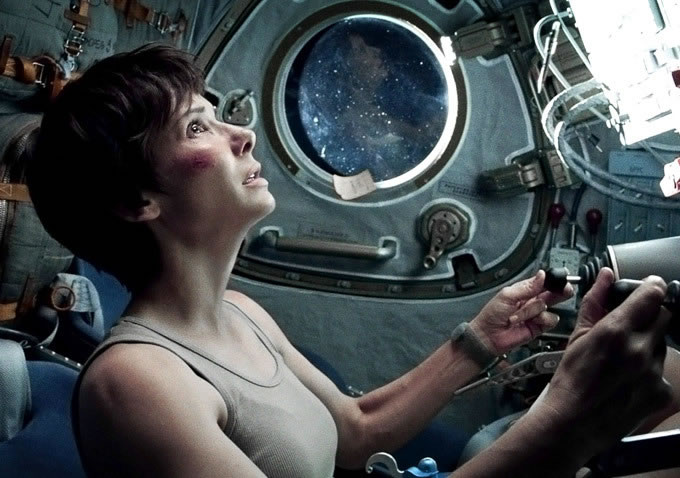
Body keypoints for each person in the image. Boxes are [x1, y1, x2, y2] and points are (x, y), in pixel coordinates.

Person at [26, 43, 678, 478]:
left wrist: (481, 338)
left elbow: (357, 431)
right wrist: (568, 419)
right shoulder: (136, 384)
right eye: (197, 127)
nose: (242, 134)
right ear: (137, 201)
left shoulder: (240, 313)